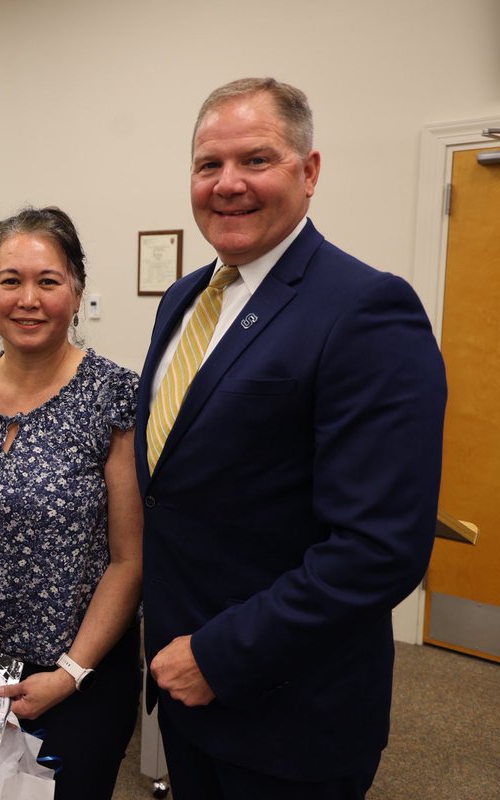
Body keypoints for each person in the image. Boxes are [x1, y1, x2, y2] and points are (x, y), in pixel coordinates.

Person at [135, 78, 446, 799]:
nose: (229, 183)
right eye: (208, 165)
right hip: (182, 689)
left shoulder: (366, 309)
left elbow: (380, 548)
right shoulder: (186, 299)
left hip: (287, 713)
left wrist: (216, 656)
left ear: (308, 173)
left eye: (257, 160)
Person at [0, 207, 143, 799]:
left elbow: (128, 559)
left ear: (76, 291)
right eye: (9, 280)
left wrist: (68, 674)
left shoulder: (114, 396)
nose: (28, 299)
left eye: (48, 281)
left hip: (79, 674)